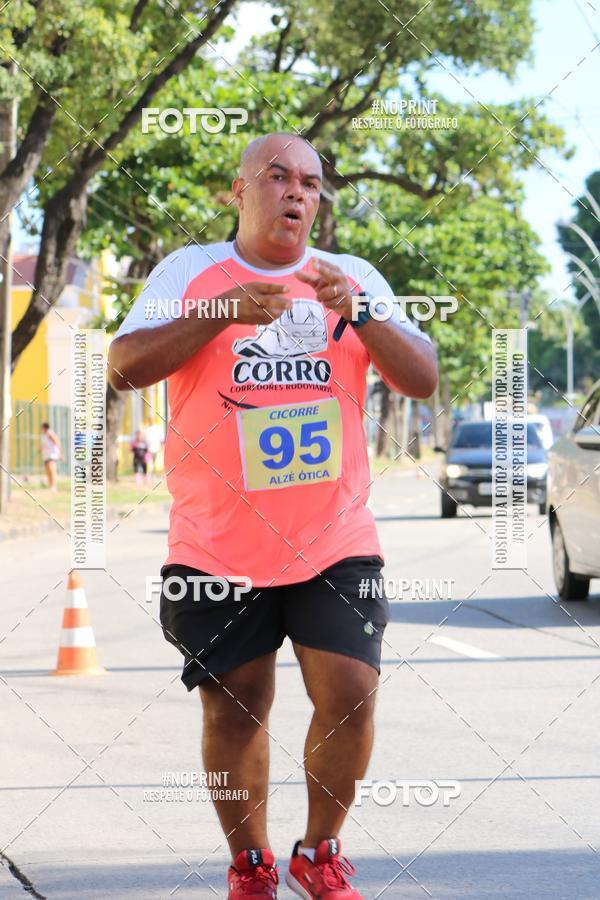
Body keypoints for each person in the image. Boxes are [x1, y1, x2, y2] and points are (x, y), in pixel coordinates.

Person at [108, 132, 438, 898]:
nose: (298, 192)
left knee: (351, 689)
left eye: (312, 183)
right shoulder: (188, 273)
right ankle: (250, 862)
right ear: (239, 189)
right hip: (216, 546)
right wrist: (221, 313)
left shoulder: (349, 277)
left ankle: (319, 852)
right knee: (236, 708)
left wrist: (360, 315)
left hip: (334, 537)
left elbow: (421, 377)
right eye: (279, 176)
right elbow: (123, 366)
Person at [40, 422, 61, 493]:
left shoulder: (49, 433)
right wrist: (40, 449)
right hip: (46, 456)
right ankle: (51, 487)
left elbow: (57, 441)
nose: (41, 429)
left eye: (42, 428)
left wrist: (59, 453)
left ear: (44, 427)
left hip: (52, 455)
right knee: (48, 472)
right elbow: (45, 444)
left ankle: (54, 487)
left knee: (52, 471)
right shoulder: (45, 435)